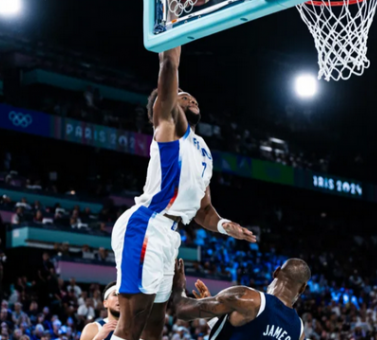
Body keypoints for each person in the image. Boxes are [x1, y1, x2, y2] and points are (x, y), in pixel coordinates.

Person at [110, 42, 256, 340]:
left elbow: (203, 211)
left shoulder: (203, 150)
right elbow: (168, 68)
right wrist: (172, 35)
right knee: (131, 326)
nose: (190, 98)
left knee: (153, 328)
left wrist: (227, 227)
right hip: (147, 225)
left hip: (171, 235)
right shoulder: (169, 128)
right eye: (182, 96)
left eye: (192, 96)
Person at [171, 258, 310, 340]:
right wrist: (214, 318)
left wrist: (179, 287)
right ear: (303, 288)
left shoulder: (247, 298)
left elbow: (181, 310)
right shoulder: (298, 332)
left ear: (276, 272)